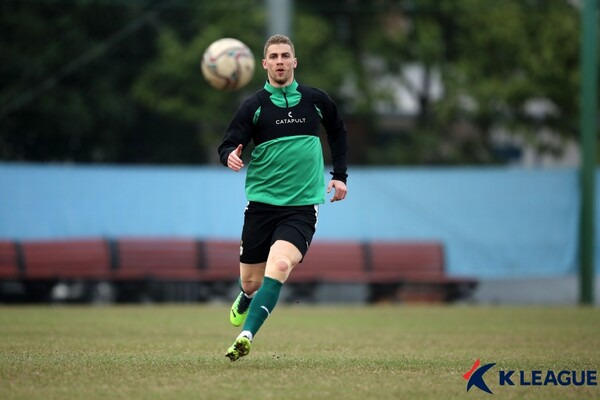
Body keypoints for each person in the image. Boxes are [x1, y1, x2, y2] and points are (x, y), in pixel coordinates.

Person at [218, 34, 348, 362]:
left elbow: (338, 131)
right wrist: (229, 157)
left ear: (294, 61)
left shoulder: (315, 100)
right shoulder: (254, 106)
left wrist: (339, 175)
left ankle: (246, 335)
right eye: (273, 56)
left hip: (301, 208)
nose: (279, 61)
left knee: (280, 264)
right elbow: (228, 143)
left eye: (284, 55)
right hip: (261, 208)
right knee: (251, 282)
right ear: (264, 64)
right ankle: (247, 297)